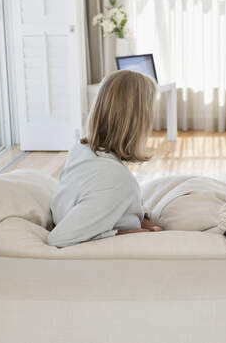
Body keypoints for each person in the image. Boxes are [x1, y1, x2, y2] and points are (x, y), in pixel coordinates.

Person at [48, 70, 163, 248]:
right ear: (139, 120)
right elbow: (59, 238)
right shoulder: (117, 181)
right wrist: (122, 233)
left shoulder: (81, 149)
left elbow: (99, 197)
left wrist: (143, 220)